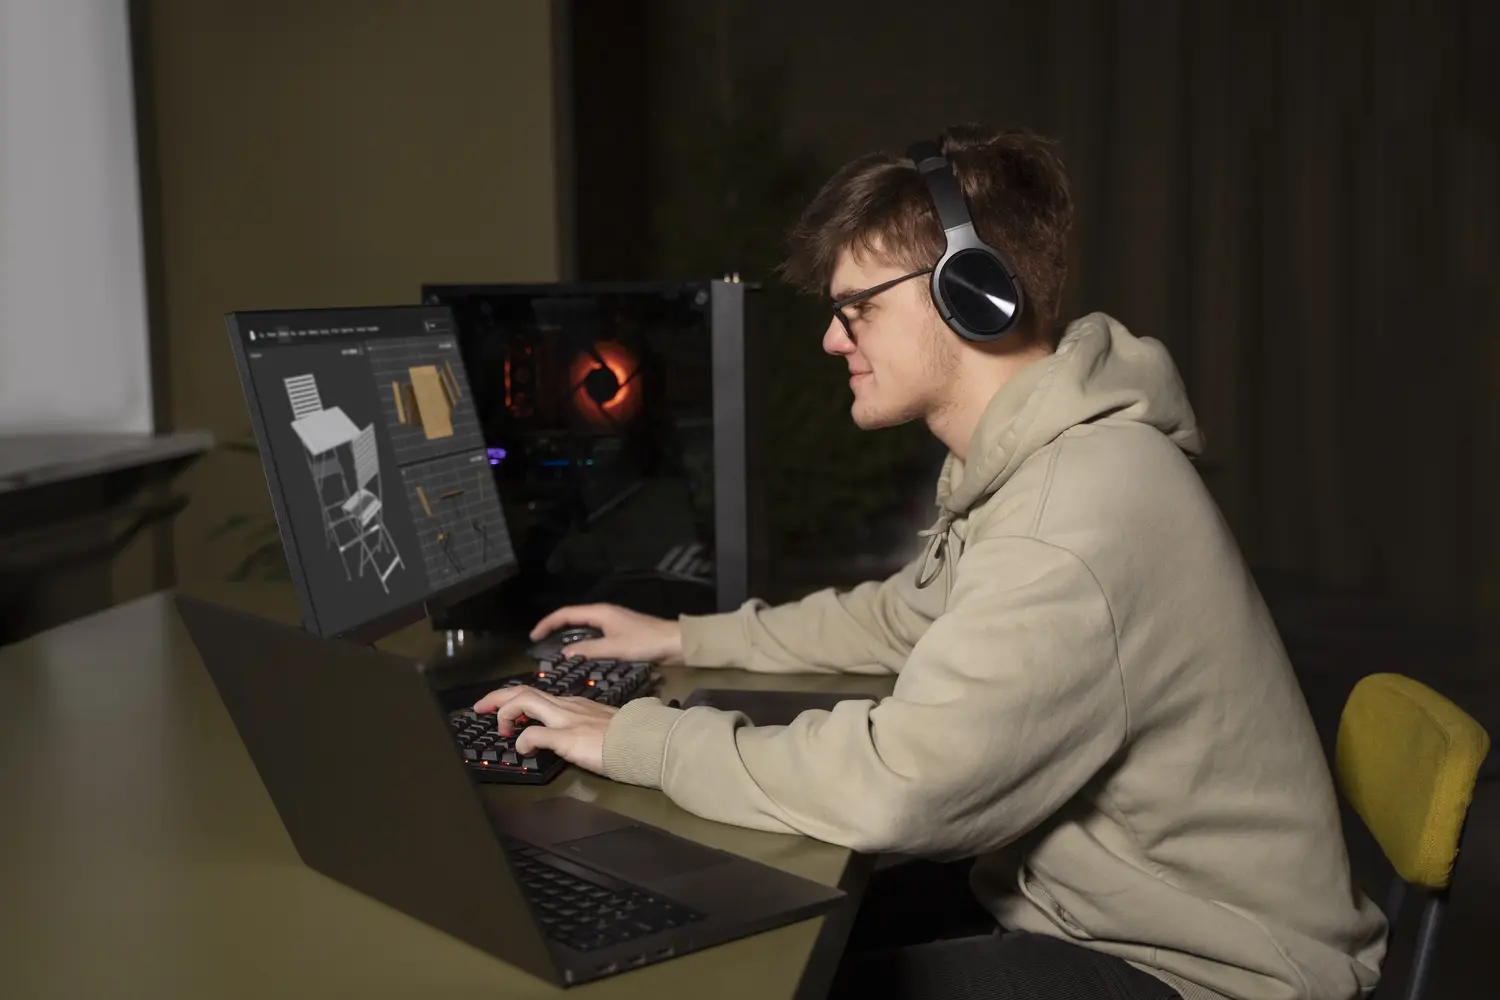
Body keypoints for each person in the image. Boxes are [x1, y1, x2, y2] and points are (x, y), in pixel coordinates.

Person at [474, 125, 1387, 1000]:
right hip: (1082, 901)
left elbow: (897, 789)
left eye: (858, 308)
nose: (834, 339)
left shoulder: (1070, 515)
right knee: (754, 928)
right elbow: (901, 617)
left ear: (971, 293)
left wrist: (632, 739)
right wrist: (682, 638)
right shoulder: (1042, 463)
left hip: (1204, 970)